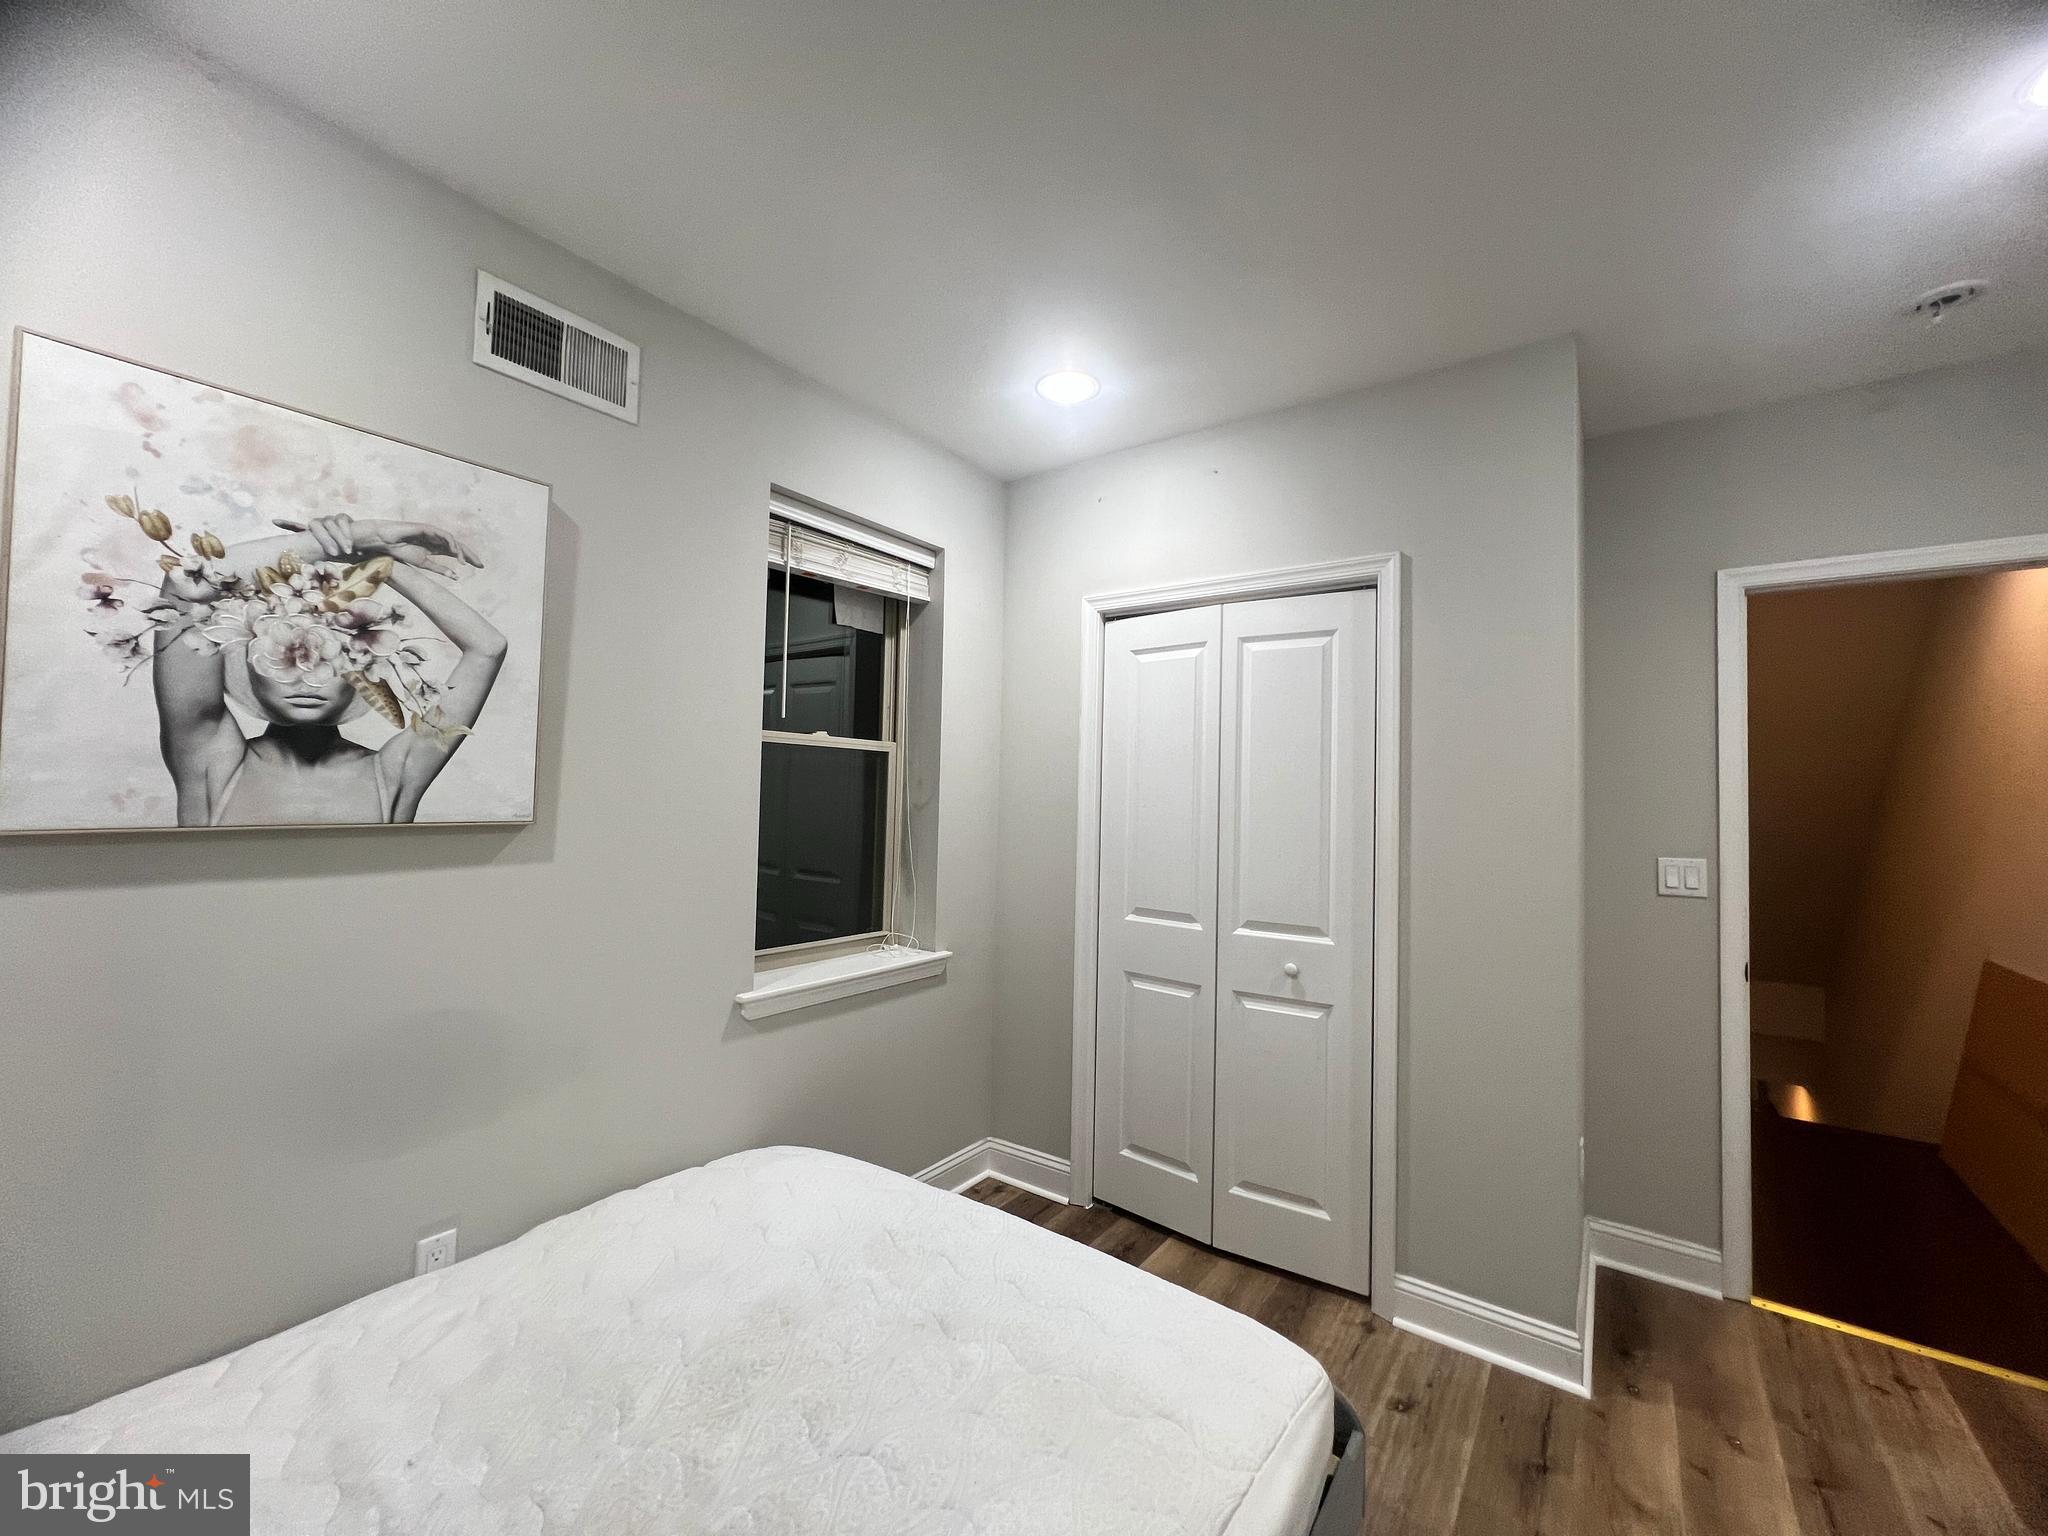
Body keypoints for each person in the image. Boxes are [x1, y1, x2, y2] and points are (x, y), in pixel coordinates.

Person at [150, 513, 504, 826]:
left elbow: (487, 648)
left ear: (364, 670)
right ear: (248, 664)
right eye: (283, 655)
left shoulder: (394, 775)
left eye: (331, 657)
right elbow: (187, 584)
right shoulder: (208, 757)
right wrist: (355, 539)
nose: (306, 675)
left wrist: (378, 562)